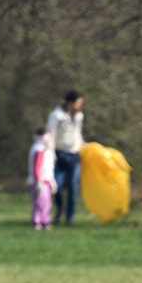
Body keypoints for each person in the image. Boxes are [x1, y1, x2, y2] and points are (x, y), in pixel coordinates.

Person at [46, 90, 85, 225]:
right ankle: (59, 210)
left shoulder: (79, 116)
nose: (80, 106)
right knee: (56, 185)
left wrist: (84, 146)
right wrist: (50, 155)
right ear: (70, 102)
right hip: (59, 154)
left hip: (74, 155)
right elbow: (50, 135)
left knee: (73, 188)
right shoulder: (56, 116)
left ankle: (70, 216)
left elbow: (78, 134)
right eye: (78, 103)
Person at [27, 127, 58, 230]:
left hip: (46, 180)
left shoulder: (47, 150)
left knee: (46, 202)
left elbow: (49, 167)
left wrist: (52, 180)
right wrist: (38, 181)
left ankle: (44, 221)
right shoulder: (39, 149)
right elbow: (37, 166)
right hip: (40, 181)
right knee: (41, 202)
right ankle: (38, 221)